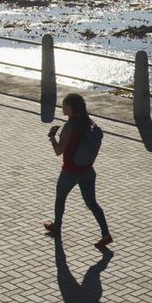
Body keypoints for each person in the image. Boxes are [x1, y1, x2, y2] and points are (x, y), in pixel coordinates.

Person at [43, 93, 113, 248]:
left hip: (70, 171)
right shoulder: (88, 122)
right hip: (87, 171)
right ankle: (106, 234)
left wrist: (52, 137)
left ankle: (57, 227)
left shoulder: (69, 127)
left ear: (70, 107)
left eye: (64, 104)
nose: (62, 106)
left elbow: (59, 151)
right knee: (92, 203)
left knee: (60, 198)